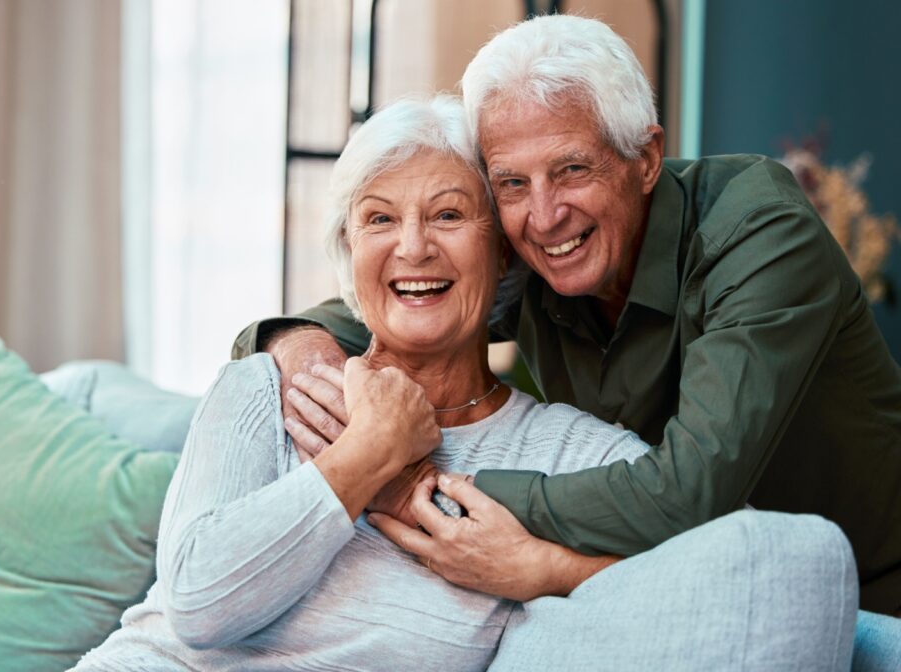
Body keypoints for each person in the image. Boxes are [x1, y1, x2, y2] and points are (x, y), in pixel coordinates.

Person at [73, 97, 857, 671]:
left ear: (505, 256)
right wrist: (367, 454)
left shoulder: (574, 455)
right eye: (379, 220)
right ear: (349, 258)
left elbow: (749, 571)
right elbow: (201, 604)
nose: (412, 248)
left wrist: (545, 569)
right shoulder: (269, 390)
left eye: (448, 215)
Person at [235, 14, 901, 619]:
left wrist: (432, 492)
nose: (545, 216)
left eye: (573, 169)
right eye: (511, 183)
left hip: (870, 601)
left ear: (645, 158)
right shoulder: (533, 254)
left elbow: (689, 492)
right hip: (675, 588)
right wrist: (301, 352)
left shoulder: (757, 229)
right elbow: (409, 295)